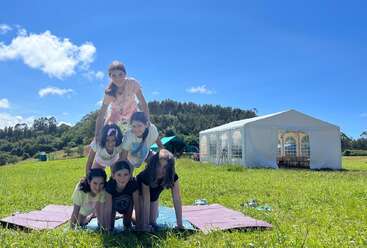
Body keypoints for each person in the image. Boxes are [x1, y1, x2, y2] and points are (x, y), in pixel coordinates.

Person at [95, 60, 149, 135]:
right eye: (114, 75)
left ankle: (160, 146)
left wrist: (147, 120)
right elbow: (101, 115)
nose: (118, 78)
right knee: (106, 132)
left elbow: (143, 103)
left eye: (120, 74)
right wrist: (97, 134)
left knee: (146, 127)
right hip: (115, 114)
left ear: (125, 74)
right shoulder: (109, 93)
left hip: (132, 110)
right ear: (110, 76)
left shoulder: (132, 83)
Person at [137, 149, 183, 230]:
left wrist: (180, 224)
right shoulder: (145, 175)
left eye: (165, 167)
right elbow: (146, 200)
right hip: (140, 196)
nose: (161, 170)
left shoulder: (172, 176)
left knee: (152, 221)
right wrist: (145, 225)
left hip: (154, 196)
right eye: (159, 165)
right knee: (142, 221)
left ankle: (153, 214)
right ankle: (131, 213)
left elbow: (177, 199)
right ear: (154, 164)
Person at [104, 160, 144, 231]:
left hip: (128, 207)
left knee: (127, 225)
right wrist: (108, 226)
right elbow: (108, 208)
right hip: (113, 208)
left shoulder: (133, 185)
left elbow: (137, 205)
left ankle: (130, 216)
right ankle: (115, 216)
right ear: (113, 176)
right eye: (119, 175)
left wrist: (139, 224)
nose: (122, 178)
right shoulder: (110, 186)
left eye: (126, 174)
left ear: (129, 175)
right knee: (110, 227)